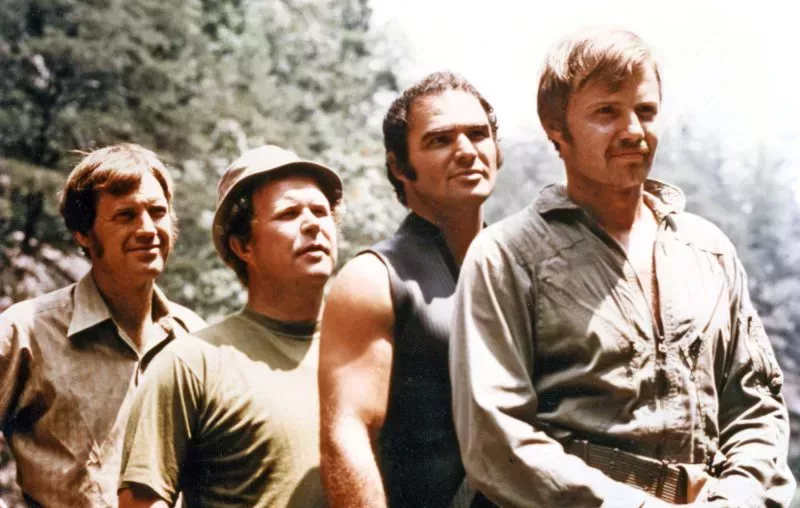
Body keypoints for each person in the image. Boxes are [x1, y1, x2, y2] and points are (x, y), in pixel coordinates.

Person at [450, 27, 795, 507]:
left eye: (646, 111)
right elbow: (497, 439)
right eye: (606, 112)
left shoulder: (707, 250)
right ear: (556, 128)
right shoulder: (507, 256)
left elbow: (756, 405)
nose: (633, 130)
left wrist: (738, 496)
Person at [117, 145, 342, 507]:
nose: (313, 224)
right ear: (242, 246)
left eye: (320, 211)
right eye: (289, 213)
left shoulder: (367, 352)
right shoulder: (193, 363)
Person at [319, 71, 502, 507]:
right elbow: (346, 441)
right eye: (440, 140)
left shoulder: (520, 268)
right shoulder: (373, 280)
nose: (466, 151)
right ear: (400, 166)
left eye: (478, 134)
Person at [0, 144, 206, 506]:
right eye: (126, 215)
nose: (148, 229)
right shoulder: (27, 331)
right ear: (83, 233)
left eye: (157, 212)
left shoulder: (193, 337)